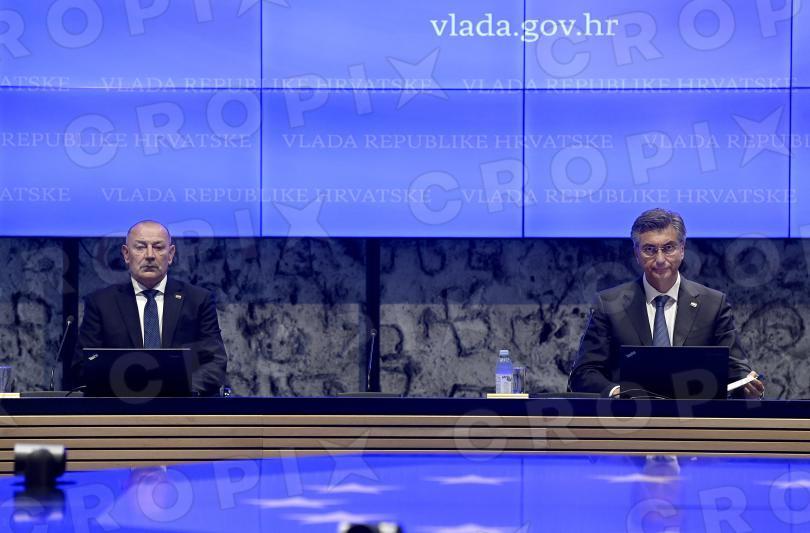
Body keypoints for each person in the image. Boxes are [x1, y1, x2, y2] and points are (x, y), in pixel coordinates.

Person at [568, 208, 764, 399]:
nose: (660, 259)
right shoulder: (609, 304)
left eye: (668, 248)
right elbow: (584, 372)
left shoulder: (713, 304)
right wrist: (616, 392)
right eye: (649, 250)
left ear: (682, 250)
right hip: (629, 416)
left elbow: (736, 368)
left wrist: (747, 386)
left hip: (696, 416)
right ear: (636, 253)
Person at [73, 220, 227, 395]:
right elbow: (82, 366)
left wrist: (178, 390)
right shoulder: (101, 303)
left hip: (182, 405)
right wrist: (133, 389)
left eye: (158, 247)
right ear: (126, 254)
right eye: (140, 247)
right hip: (121, 405)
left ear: (171, 254)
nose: (150, 255)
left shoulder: (198, 300)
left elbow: (215, 362)